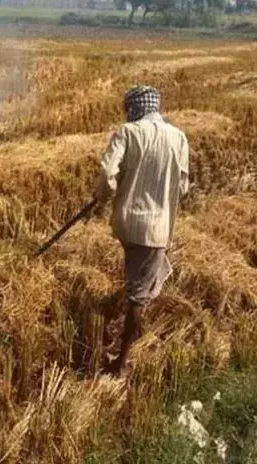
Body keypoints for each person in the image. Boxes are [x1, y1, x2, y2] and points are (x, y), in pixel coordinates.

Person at [92, 85, 190, 376]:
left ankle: (125, 346)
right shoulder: (179, 137)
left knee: (140, 279)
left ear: (134, 108)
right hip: (156, 227)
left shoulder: (127, 132)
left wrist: (103, 195)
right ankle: (122, 361)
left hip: (128, 223)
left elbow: (108, 174)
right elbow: (182, 186)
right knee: (138, 291)